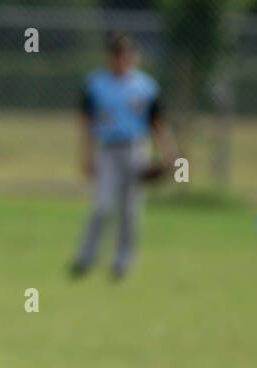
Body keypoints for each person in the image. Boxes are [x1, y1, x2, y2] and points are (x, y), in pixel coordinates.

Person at [70, 32, 177, 281]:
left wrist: (169, 153)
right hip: (107, 149)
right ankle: (86, 257)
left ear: (133, 57)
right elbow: (86, 122)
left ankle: (123, 262)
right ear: (110, 57)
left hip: (135, 148)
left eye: (125, 54)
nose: (121, 59)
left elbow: (157, 123)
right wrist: (86, 155)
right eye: (116, 54)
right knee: (103, 205)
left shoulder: (145, 86)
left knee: (130, 209)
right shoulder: (96, 84)